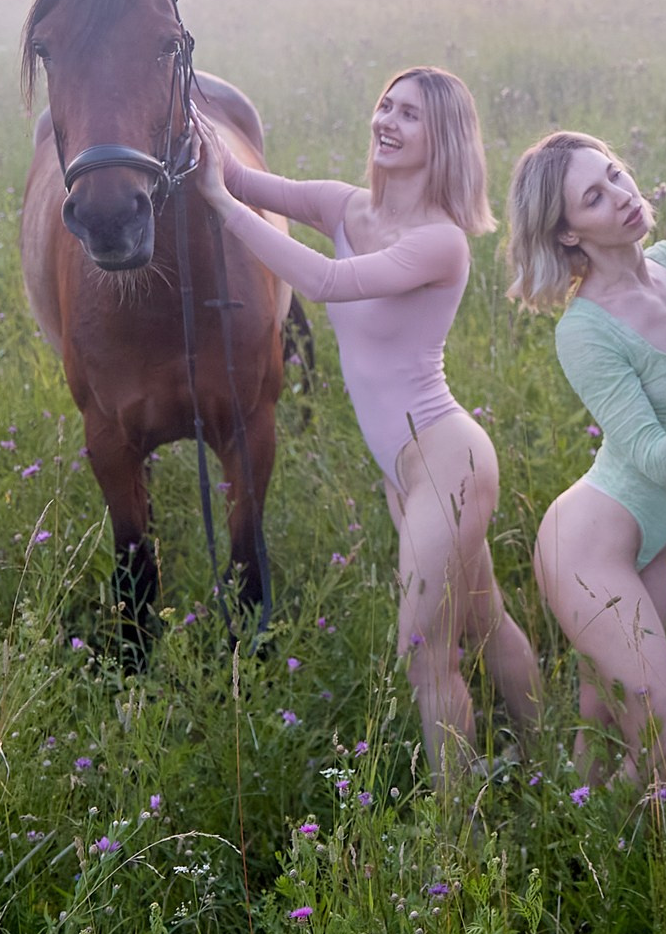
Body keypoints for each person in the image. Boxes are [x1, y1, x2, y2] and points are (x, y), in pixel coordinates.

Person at [192, 67, 540, 794]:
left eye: (408, 114)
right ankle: (553, 763)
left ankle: (458, 839)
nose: (385, 120)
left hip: (447, 461)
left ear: (440, 139)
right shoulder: (345, 206)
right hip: (403, 473)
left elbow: (322, 282)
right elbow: (242, 175)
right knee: (486, 619)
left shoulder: (442, 242)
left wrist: (221, 205)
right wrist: (186, 121)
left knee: (426, 654)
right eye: (385, 105)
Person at [505, 130, 666, 787]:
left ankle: (582, 851)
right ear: (568, 234)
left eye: (615, 174)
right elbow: (651, 456)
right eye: (594, 197)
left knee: (602, 728)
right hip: (587, 547)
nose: (622, 195)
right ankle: (583, 851)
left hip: (648, 542)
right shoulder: (585, 329)